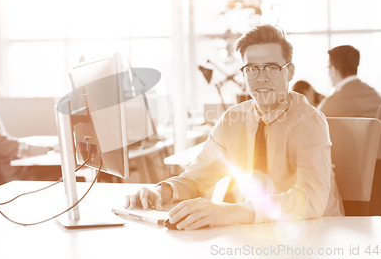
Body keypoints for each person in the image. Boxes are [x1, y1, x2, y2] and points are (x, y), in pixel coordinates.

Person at [124, 24, 343, 230]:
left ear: (290, 72)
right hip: (257, 235)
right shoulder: (233, 119)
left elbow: (311, 199)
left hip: (316, 233)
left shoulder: (308, 122)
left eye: (271, 67)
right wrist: (161, 191)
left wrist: (230, 212)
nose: (261, 78)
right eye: (252, 69)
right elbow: (196, 177)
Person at [318, 45, 381, 118]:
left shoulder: (334, 102)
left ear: (333, 70)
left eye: (328, 68)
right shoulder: (375, 96)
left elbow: (314, 125)